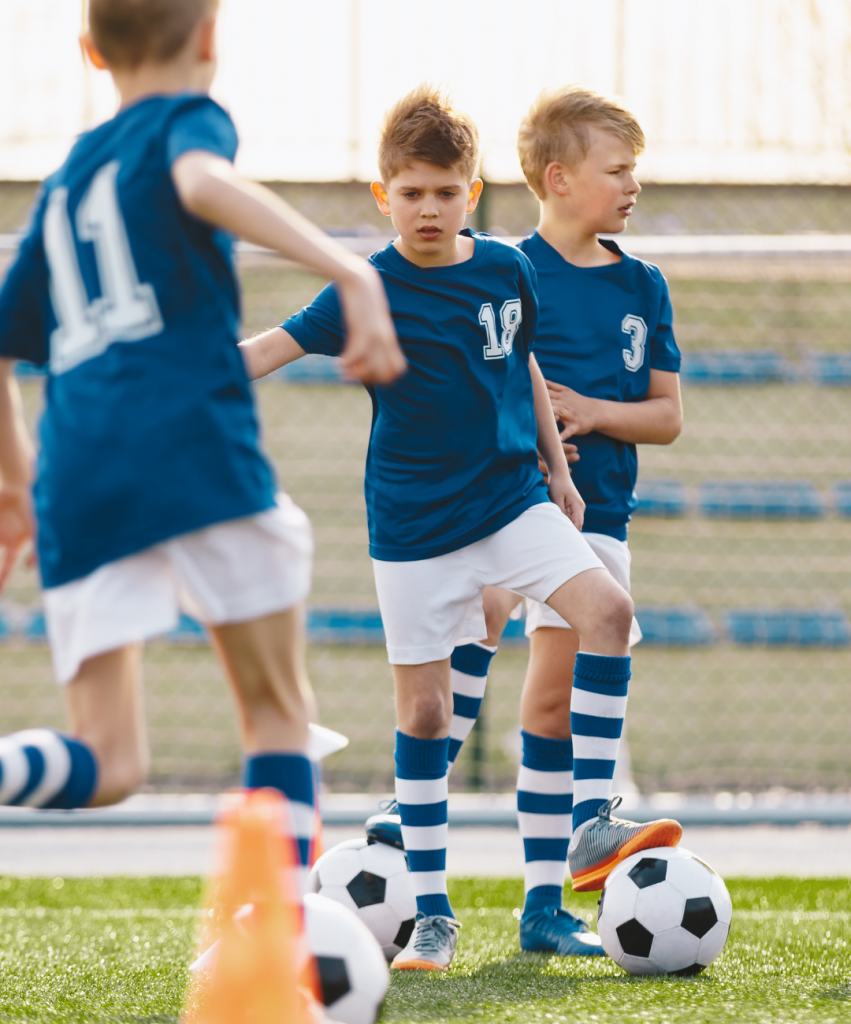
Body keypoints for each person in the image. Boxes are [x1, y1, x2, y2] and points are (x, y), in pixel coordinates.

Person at [241, 84, 680, 971]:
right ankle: (433, 914)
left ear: (471, 192)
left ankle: (593, 820)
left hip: (513, 499)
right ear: (383, 197)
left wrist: (557, 476)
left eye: (445, 191)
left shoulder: (506, 269)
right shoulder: (362, 287)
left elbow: (522, 364)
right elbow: (269, 350)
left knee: (607, 614)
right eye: (411, 193)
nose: (429, 208)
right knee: (427, 710)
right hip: (412, 528)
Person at [0, 0, 403, 900]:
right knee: (277, 716)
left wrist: (17, 483)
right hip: (187, 447)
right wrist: (349, 268)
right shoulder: (189, 121)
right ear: (211, 39)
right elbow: (196, 180)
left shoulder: (66, 179)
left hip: (76, 476)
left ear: (89, 50)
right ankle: (280, 943)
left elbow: (3, 332)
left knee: (107, 762)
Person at [437, 86, 685, 954]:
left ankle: (546, 903)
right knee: (489, 621)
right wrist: (531, 433)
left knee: (548, 705)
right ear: (559, 179)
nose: (632, 187)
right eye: (618, 171)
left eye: (634, 172)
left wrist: (591, 411)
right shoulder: (505, 270)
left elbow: (665, 416)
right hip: (515, 502)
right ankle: (428, 798)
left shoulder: (641, 283)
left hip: (601, 513)